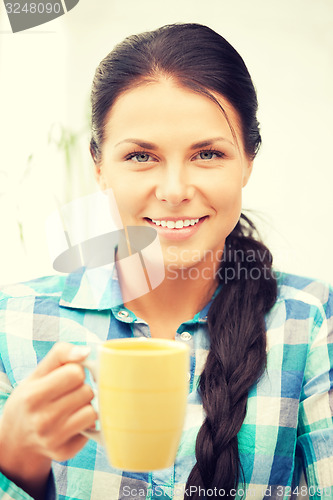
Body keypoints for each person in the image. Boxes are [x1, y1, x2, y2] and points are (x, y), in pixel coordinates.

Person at [0, 22, 332, 500]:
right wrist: (15, 463)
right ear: (99, 167)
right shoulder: (12, 325)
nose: (175, 190)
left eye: (208, 153)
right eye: (140, 156)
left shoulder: (312, 320)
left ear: (248, 162)